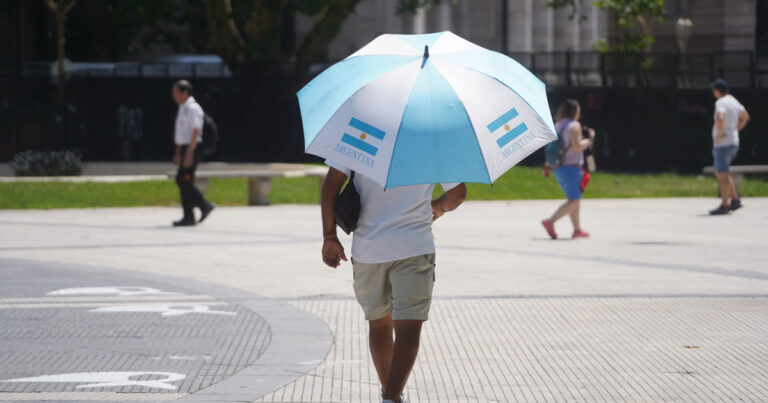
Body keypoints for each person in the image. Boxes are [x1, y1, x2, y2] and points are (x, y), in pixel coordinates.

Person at [320, 162, 466, 403]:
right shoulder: (431, 141)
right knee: (409, 328)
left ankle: (391, 395)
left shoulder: (356, 132)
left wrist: (329, 236)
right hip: (414, 247)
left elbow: (330, 187)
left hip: (369, 251)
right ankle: (391, 397)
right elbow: (457, 194)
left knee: (379, 324)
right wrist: (438, 206)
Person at [541, 99, 595, 239]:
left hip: (558, 168)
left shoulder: (557, 125)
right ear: (575, 111)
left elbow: (553, 147)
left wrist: (547, 165)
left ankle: (577, 230)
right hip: (571, 167)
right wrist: (589, 139)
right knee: (574, 201)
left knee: (574, 199)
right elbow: (577, 146)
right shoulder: (574, 125)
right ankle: (550, 221)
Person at [171, 79, 215, 226]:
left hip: (193, 147)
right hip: (185, 147)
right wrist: (178, 152)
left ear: (185, 93)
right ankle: (189, 216)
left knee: (183, 180)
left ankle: (204, 205)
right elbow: (181, 133)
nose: (174, 96)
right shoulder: (182, 107)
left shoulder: (193, 108)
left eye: (176, 92)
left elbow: (196, 130)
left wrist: (190, 151)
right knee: (183, 181)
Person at [708, 78, 750, 215]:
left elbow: (720, 117)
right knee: (722, 172)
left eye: (714, 89)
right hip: (733, 142)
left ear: (718, 90)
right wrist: (735, 130)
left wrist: (719, 135)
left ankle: (725, 205)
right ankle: (735, 199)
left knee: (721, 175)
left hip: (723, 144)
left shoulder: (721, 102)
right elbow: (745, 116)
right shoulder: (733, 101)